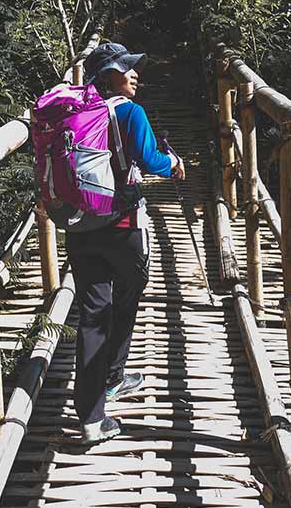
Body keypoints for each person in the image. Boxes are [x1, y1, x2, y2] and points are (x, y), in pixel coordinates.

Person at [68, 42, 185, 444]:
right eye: (125, 68)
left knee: (92, 314)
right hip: (122, 225)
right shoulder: (130, 112)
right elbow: (152, 161)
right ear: (107, 75)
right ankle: (113, 376)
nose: (134, 74)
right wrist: (175, 163)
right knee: (129, 293)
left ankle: (90, 417)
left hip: (80, 226)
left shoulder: (74, 111)